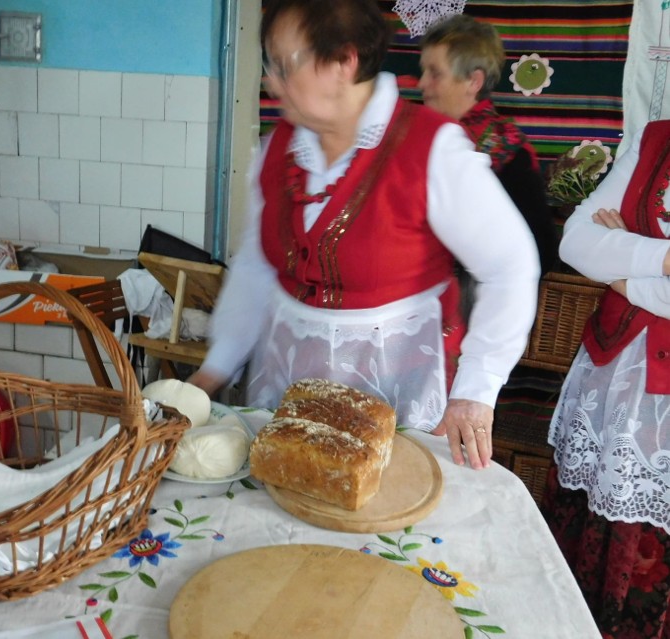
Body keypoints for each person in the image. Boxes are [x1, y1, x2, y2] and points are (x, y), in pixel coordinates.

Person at [188, 0, 540, 470]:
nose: (270, 81)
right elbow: (257, 267)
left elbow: (511, 266)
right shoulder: (278, 149)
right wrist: (213, 369)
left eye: (284, 64)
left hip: (399, 392)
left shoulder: (433, 148)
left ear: (343, 62)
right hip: (288, 387)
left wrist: (477, 389)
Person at [542, 119, 670, 638]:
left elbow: (602, 257)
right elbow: (575, 241)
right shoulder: (657, 137)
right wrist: (661, 258)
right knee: (581, 550)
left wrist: (622, 267)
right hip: (615, 382)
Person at [418, 14, 559, 275]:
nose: (421, 83)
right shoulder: (417, 137)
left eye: (435, 73)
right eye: (423, 71)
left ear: (474, 81)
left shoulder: (508, 152)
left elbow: (540, 252)